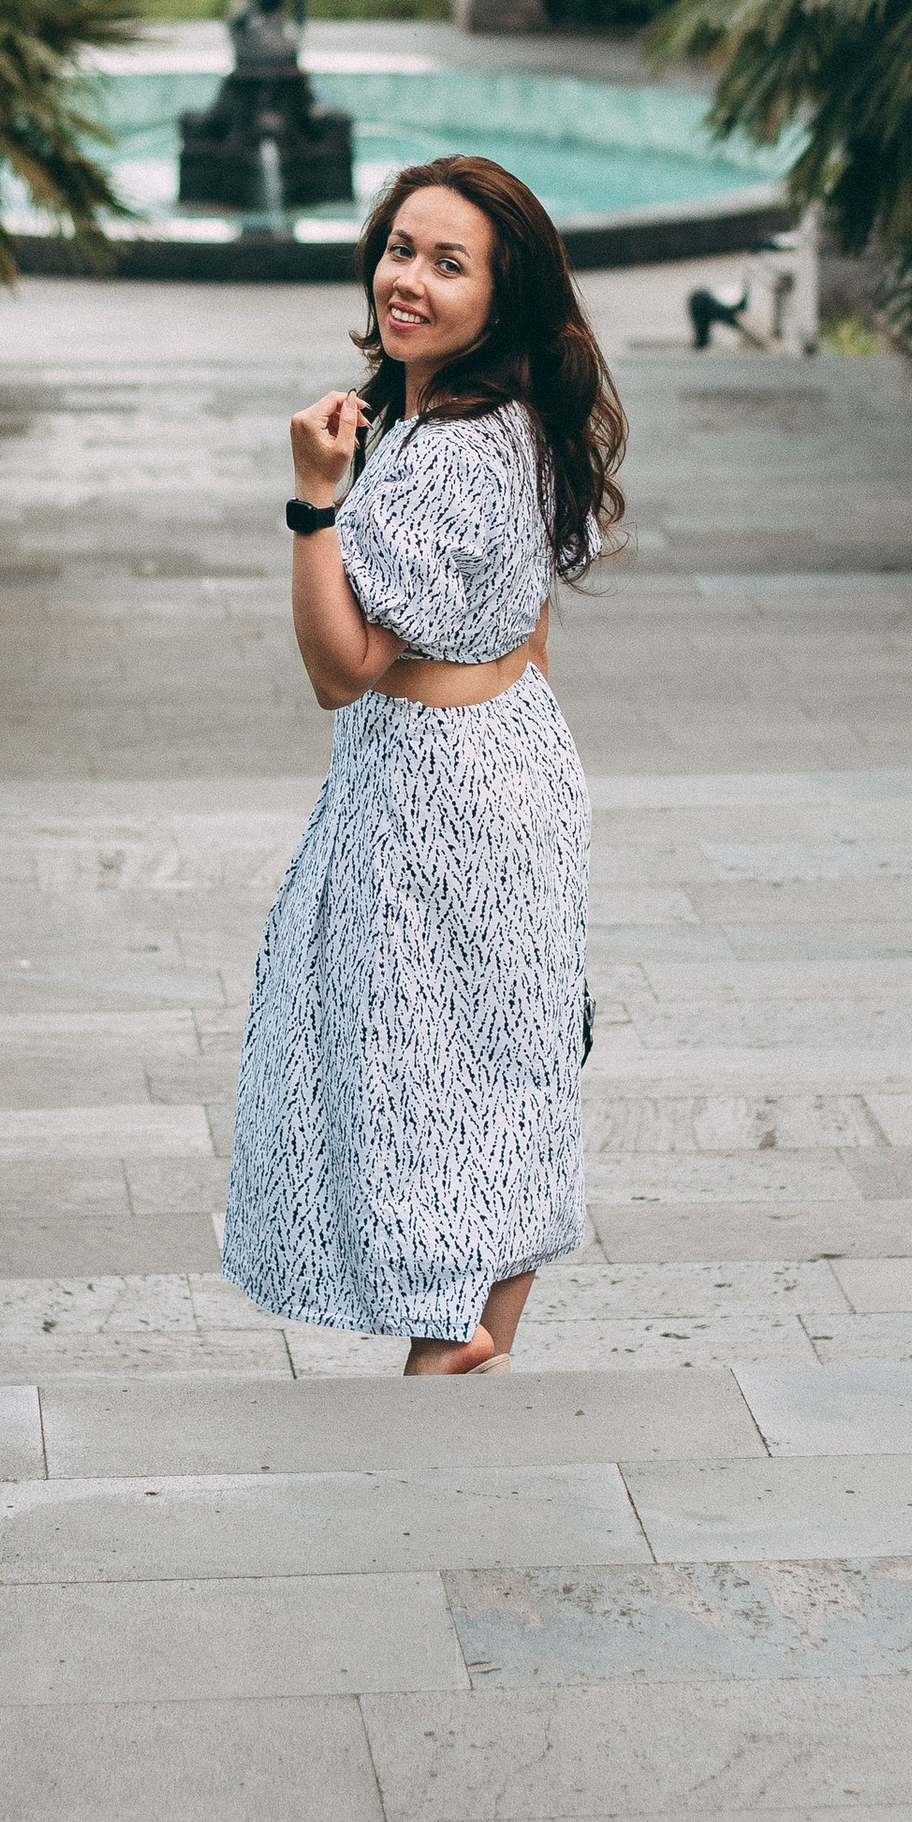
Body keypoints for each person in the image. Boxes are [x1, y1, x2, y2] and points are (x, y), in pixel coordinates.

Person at [222, 155, 626, 1373]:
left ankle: (449, 1346)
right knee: (497, 1063)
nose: (409, 279)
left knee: (414, 1081)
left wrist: (310, 502)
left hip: (440, 800)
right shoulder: (497, 418)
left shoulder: (442, 451)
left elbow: (340, 667)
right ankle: (469, 1344)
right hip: (505, 758)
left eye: (449, 264)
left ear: (499, 302)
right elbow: (530, 618)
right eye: (401, 249)